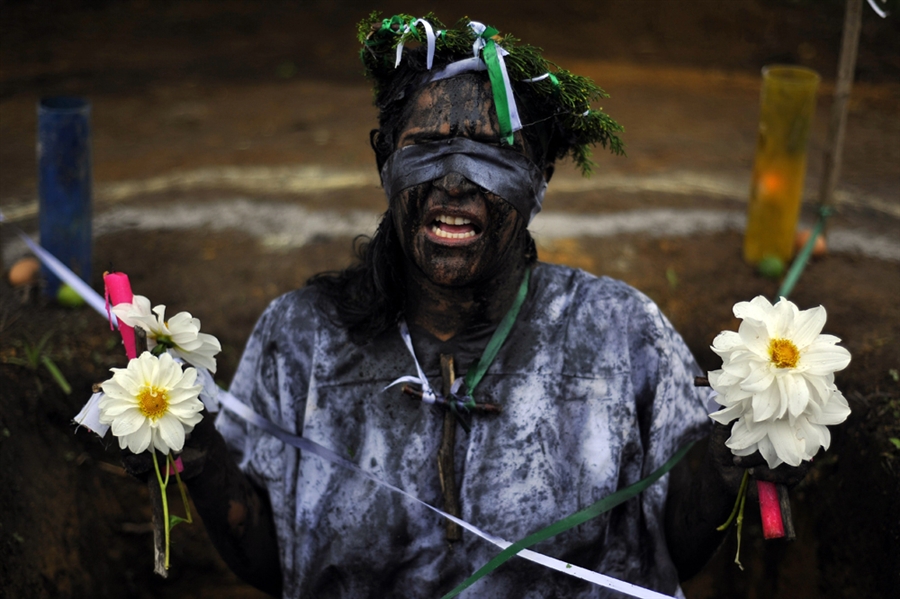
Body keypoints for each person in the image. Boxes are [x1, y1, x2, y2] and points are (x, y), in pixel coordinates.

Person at [179, 14, 808, 598]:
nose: (454, 180)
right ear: (384, 160)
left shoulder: (619, 331)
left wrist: (729, 462)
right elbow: (273, 562)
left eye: (492, 152)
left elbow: (674, 545)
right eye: (426, 145)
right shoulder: (303, 336)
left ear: (539, 179)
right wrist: (199, 456)